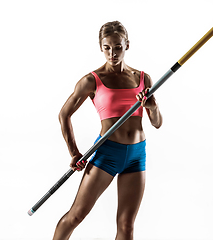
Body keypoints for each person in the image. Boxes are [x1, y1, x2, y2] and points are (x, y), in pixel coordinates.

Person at [53, 21, 163, 240]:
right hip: (107, 153)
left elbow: (157, 123)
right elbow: (63, 115)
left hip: (136, 155)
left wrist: (153, 107)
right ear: (101, 47)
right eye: (107, 48)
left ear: (127, 45)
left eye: (118, 47)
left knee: (126, 225)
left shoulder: (143, 79)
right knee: (76, 215)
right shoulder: (91, 81)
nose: (112, 53)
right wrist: (74, 152)